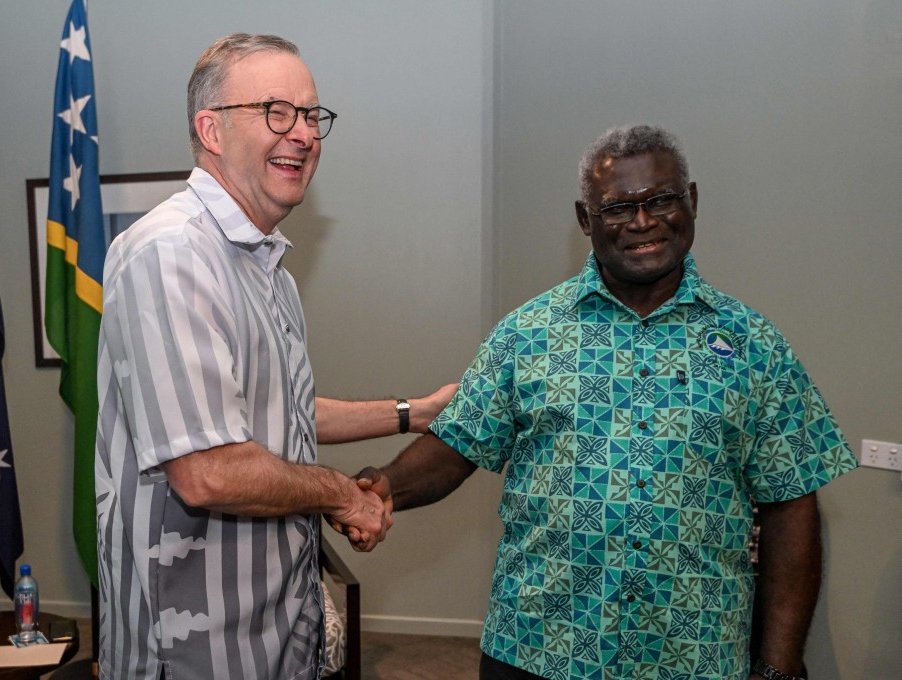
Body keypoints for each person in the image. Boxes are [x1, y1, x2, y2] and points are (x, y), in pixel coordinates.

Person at [352, 125, 856, 680]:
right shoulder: (528, 333)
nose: (642, 222)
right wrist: (382, 489)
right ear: (585, 219)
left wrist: (780, 664)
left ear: (691, 201)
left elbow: (792, 506)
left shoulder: (754, 346)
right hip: (539, 647)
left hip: (693, 656)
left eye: (661, 199)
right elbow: (458, 444)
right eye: (617, 208)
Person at [94, 33, 454, 680]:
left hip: (280, 639)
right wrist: (341, 495)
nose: (303, 134)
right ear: (210, 129)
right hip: (196, 658)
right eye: (276, 112)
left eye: (312, 116)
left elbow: (279, 411)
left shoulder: (270, 270)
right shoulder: (171, 254)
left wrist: (413, 413)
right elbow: (209, 468)